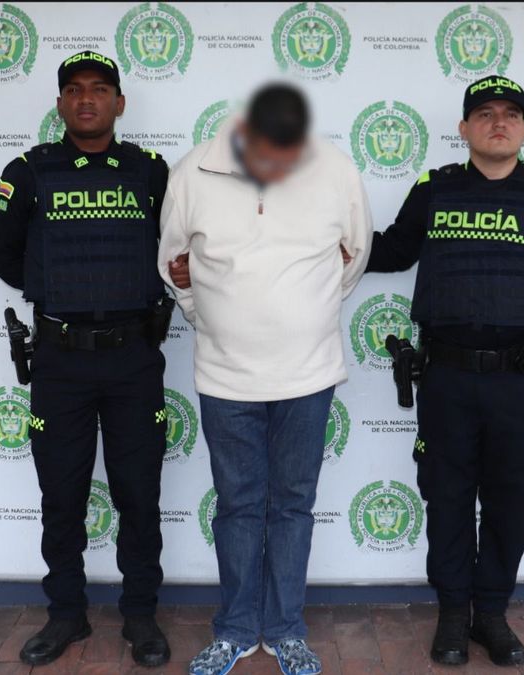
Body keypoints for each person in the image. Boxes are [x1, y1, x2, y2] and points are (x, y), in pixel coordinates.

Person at [364, 75, 524, 667]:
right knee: (446, 496)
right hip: (447, 378)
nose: (499, 123)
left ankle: (490, 613)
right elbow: (393, 250)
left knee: (512, 496)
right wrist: (317, 245)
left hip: (521, 382)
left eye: (511, 114)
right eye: (486, 114)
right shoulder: (434, 188)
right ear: (464, 128)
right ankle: (451, 614)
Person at [158, 83, 372, 675]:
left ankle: (285, 631)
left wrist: (310, 309)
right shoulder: (193, 172)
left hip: (309, 374)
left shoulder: (334, 168)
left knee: (294, 505)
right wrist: (206, 315)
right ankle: (234, 630)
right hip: (224, 377)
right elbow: (173, 264)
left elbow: (355, 255)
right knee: (238, 506)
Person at [0, 50, 172, 668]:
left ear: (119, 103)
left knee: (138, 494)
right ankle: (66, 613)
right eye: (73, 89)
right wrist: (60, 288)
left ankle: (140, 613)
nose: (85, 98)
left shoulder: (150, 172)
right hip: (60, 361)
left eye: (98, 89)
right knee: (62, 495)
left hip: (133, 359)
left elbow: (176, 247)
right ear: (60, 103)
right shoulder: (29, 171)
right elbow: (3, 255)